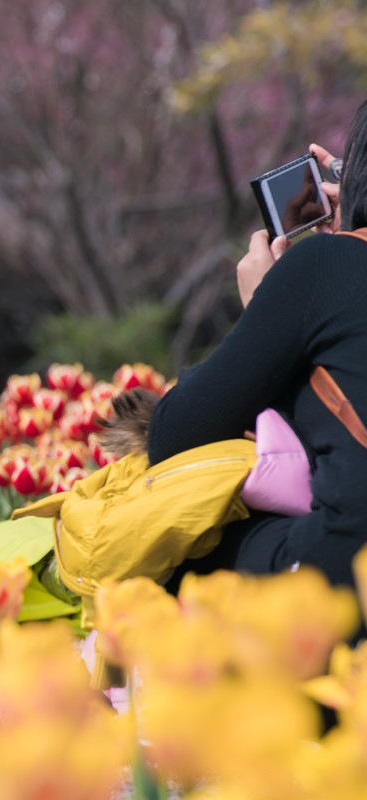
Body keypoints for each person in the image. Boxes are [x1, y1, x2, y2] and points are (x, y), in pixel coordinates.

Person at [147, 102, 367, 592]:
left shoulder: (323, 265)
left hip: (345, 584)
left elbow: (172, 435)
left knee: (191, 544)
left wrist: (267, 301)